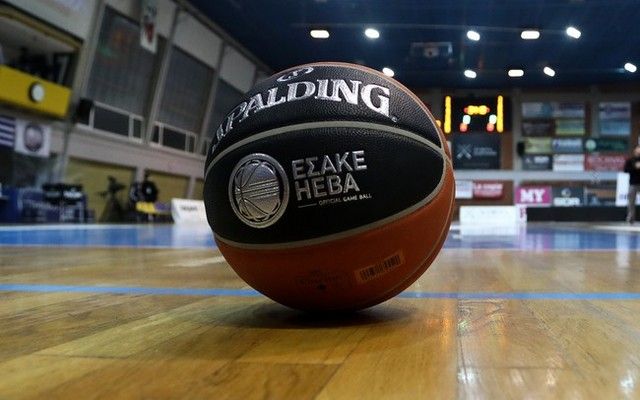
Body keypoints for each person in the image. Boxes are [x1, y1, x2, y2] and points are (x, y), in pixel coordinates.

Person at [623, 145, 640, 224]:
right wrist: (635, 167)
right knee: (631, 201)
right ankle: (631, 217)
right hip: (633, 183)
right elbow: (625, 170)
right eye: (638, 149)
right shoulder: (630, 160)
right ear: (635, 151)